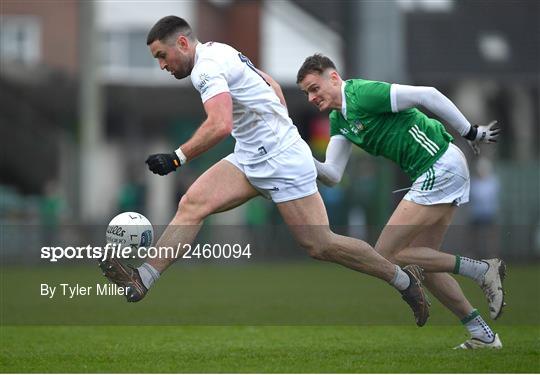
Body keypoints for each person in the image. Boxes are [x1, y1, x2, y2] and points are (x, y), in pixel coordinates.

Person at [100, 16, 430, 326]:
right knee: (192, 204)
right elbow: (267, 80)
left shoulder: (206, 70)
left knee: (320, 245)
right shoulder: (219, 50)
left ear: (182, 43)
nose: (161, 65)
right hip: (250, 156)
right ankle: (143, 277)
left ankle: (402, 279)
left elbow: (220, 124)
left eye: (162, 55)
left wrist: (177, 157)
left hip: (283, 160)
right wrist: (276, 118)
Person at [296, 54, 505, 349]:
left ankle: (482, 270)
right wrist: (298, 157)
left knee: (386, 253)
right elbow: (331, 174)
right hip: (435, 170)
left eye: (314, 88)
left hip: (439, 165)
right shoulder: (338, 120)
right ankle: (483, 334)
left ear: (334, 78)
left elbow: (427, 95)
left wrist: (469, 131)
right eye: (307, 92)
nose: (311, 97)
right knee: (427, 264)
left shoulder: (361, 94)